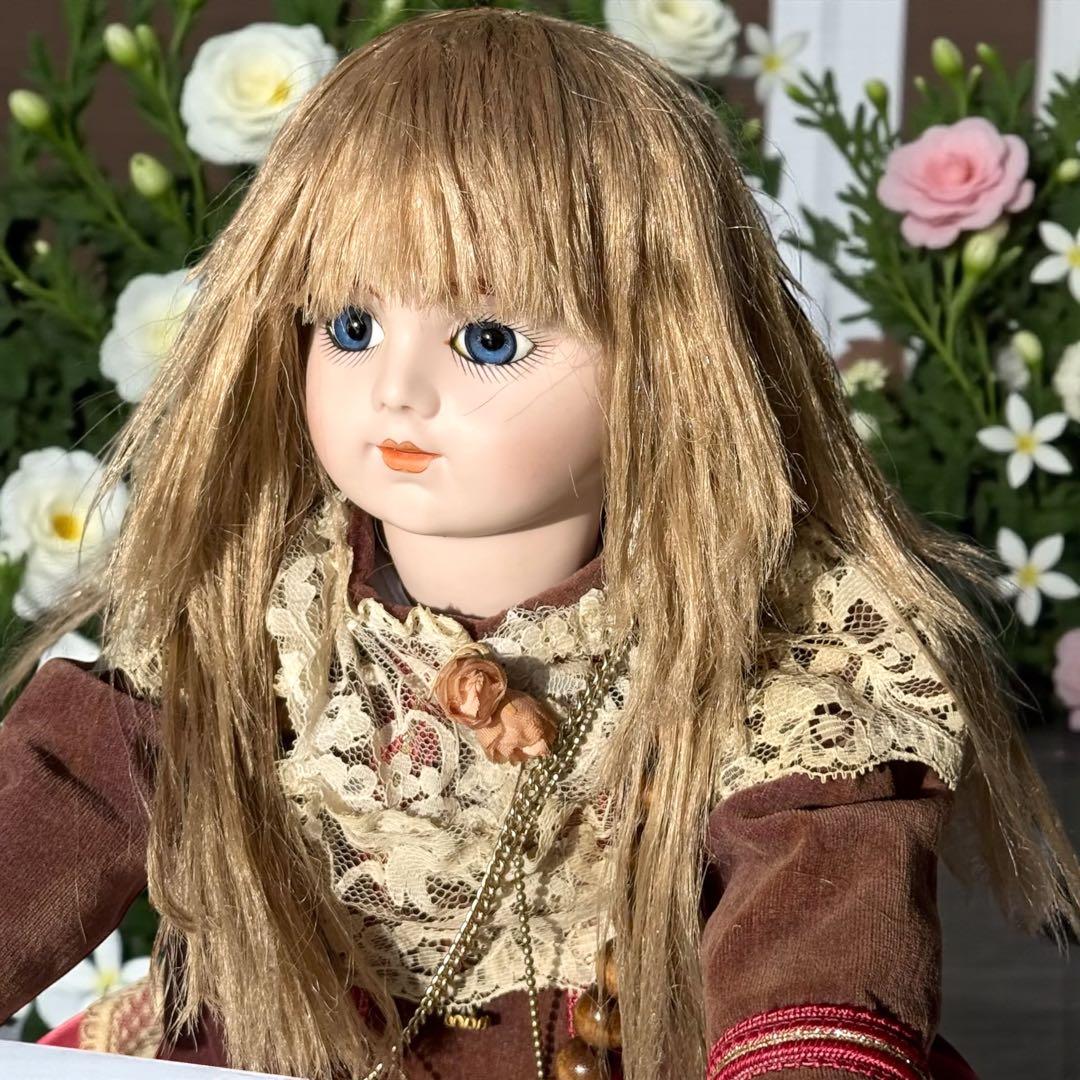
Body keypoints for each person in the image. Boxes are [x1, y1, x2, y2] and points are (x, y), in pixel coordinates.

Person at [1, 8, 1077, 1080]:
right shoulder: (254, 618)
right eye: (351, 326)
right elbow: (61, 803)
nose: (396, 390)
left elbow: (820, 932)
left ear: (666, 357)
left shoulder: (780, 661)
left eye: (489, 339)